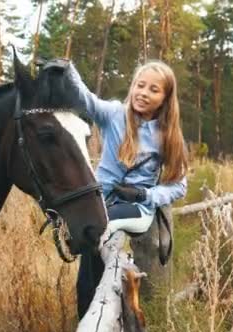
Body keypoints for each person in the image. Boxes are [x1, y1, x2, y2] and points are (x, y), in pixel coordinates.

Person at [69, 60, 188, 318]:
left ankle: (101, 313)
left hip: (138, 207)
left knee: (97, 226)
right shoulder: (114, 114)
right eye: (139, 85)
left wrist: (147, 194)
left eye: (153, 90)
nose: (143, 93)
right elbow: (85, 100)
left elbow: (180, 185)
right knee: (91, 244)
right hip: (102, 199)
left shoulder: (168, 135)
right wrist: (68, 70)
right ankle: (88, 316)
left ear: (166, 98)